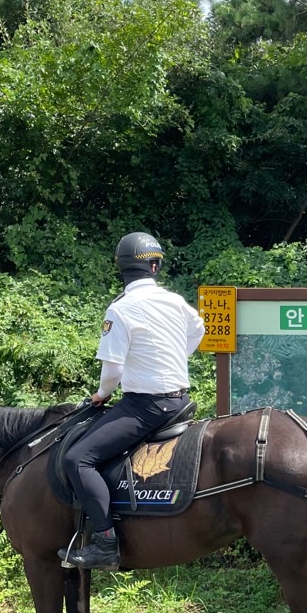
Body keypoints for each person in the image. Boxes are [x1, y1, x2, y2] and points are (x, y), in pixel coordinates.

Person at [59, 232, 205, 571]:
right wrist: (173, 357)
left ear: (122, 270)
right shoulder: (174, 302)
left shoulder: (120, 309)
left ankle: (105, 542)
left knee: (78, 459)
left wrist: (101, 396)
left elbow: (113, 370)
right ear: (154, 267)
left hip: (146, 407)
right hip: (179, 399)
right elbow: (197, 329)